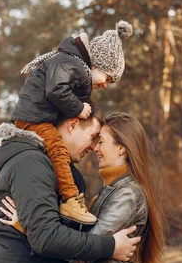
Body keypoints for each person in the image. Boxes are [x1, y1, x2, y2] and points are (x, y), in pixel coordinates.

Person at [0, 112, 167, 263]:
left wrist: (32, 230)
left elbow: (84, 252)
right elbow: (84, 240)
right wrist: (34, 225)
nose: (95, 148)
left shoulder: (127, 194)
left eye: (101, 141)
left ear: (122, 148)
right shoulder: (110, 191)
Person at [11, 20, 133, 224]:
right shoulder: (71, 63)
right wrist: (78, 108)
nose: (105, 85)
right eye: (107, 78)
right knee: (58, 149)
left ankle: (68, 199)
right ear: (96, 65)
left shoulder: (72, 66)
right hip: (33, 117)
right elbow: (55, 90)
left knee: (58, 154)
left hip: (37, 116)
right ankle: (69, 200)